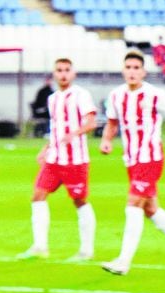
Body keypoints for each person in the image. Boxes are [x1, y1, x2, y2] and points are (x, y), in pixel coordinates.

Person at [99, 50, 165, 276]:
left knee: (133, 204)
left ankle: (123, 262)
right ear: (123, 70)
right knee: (151, 209)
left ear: (143, 72)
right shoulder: (116, 95)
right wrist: (106, 140)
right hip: (132, 160)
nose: (132, 72)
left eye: (137, 68)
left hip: (150, 157)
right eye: (129, 67)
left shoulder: (155, 95)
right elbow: (112, 123)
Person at [17, 58, 98, 263]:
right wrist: (45, 148)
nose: (63, 74)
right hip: (54, 159)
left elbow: (92, 122)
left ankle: (86, 251)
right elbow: (55, 129)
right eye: (59, 70)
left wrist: (74, 133)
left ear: (73, 73)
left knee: (79, 200)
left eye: (67, 70)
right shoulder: (53, 98)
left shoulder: (81, 95)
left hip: (75, 160)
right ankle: (40, 247)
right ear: (54, 74)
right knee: (37, 195)